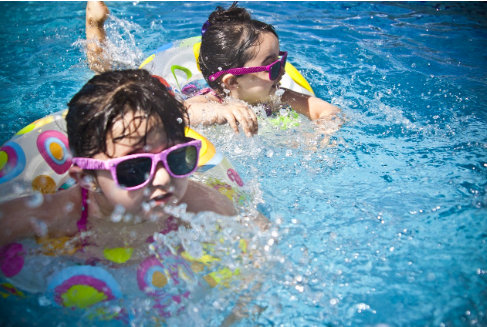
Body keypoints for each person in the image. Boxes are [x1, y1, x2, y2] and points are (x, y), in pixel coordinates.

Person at [0, 69, 237, 262]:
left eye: (176, 157)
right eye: (135, 169)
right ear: (86, 178)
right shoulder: (55, 216)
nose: (164, 179)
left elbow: (259, 239)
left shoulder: (197, 204)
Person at [85, 1, 341, 138]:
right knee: (110, 79)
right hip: (181, 90)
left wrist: (323, 131)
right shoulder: (211, 99)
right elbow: (180, 114)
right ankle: (95, 26)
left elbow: (326, 110)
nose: (282, 73)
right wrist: (221, 110)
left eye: (281, 61)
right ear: (231, 83)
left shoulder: (278, 96)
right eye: (272, 67)